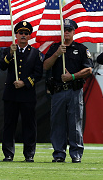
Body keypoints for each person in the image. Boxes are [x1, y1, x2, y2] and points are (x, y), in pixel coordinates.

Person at [43, 19, 94, 163]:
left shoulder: (82, 48)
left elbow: (88, 69)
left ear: (74, 32)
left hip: (74, 90)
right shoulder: (54, 48)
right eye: (64, 29)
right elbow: (46, 66)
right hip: (58, 91)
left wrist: (72, 76)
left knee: (75, 123)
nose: (66, 32)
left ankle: (76, 153)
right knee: (57, 123)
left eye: (69, 30)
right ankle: (59, 153)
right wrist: (57, 54)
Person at [0, 21, 43, 163]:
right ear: (16, 35)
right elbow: (1, 66)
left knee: (29, 125)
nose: (23, 35)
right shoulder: (9, 50)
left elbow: (38, 74)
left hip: (27, 94)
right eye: (21, 33)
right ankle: (8, 154)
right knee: (9, 125)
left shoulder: (35, 53)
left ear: (29, 36)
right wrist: (10, 55)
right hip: (11, 94)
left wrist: (24, 82)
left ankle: (29, 154)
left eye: (26, 33)